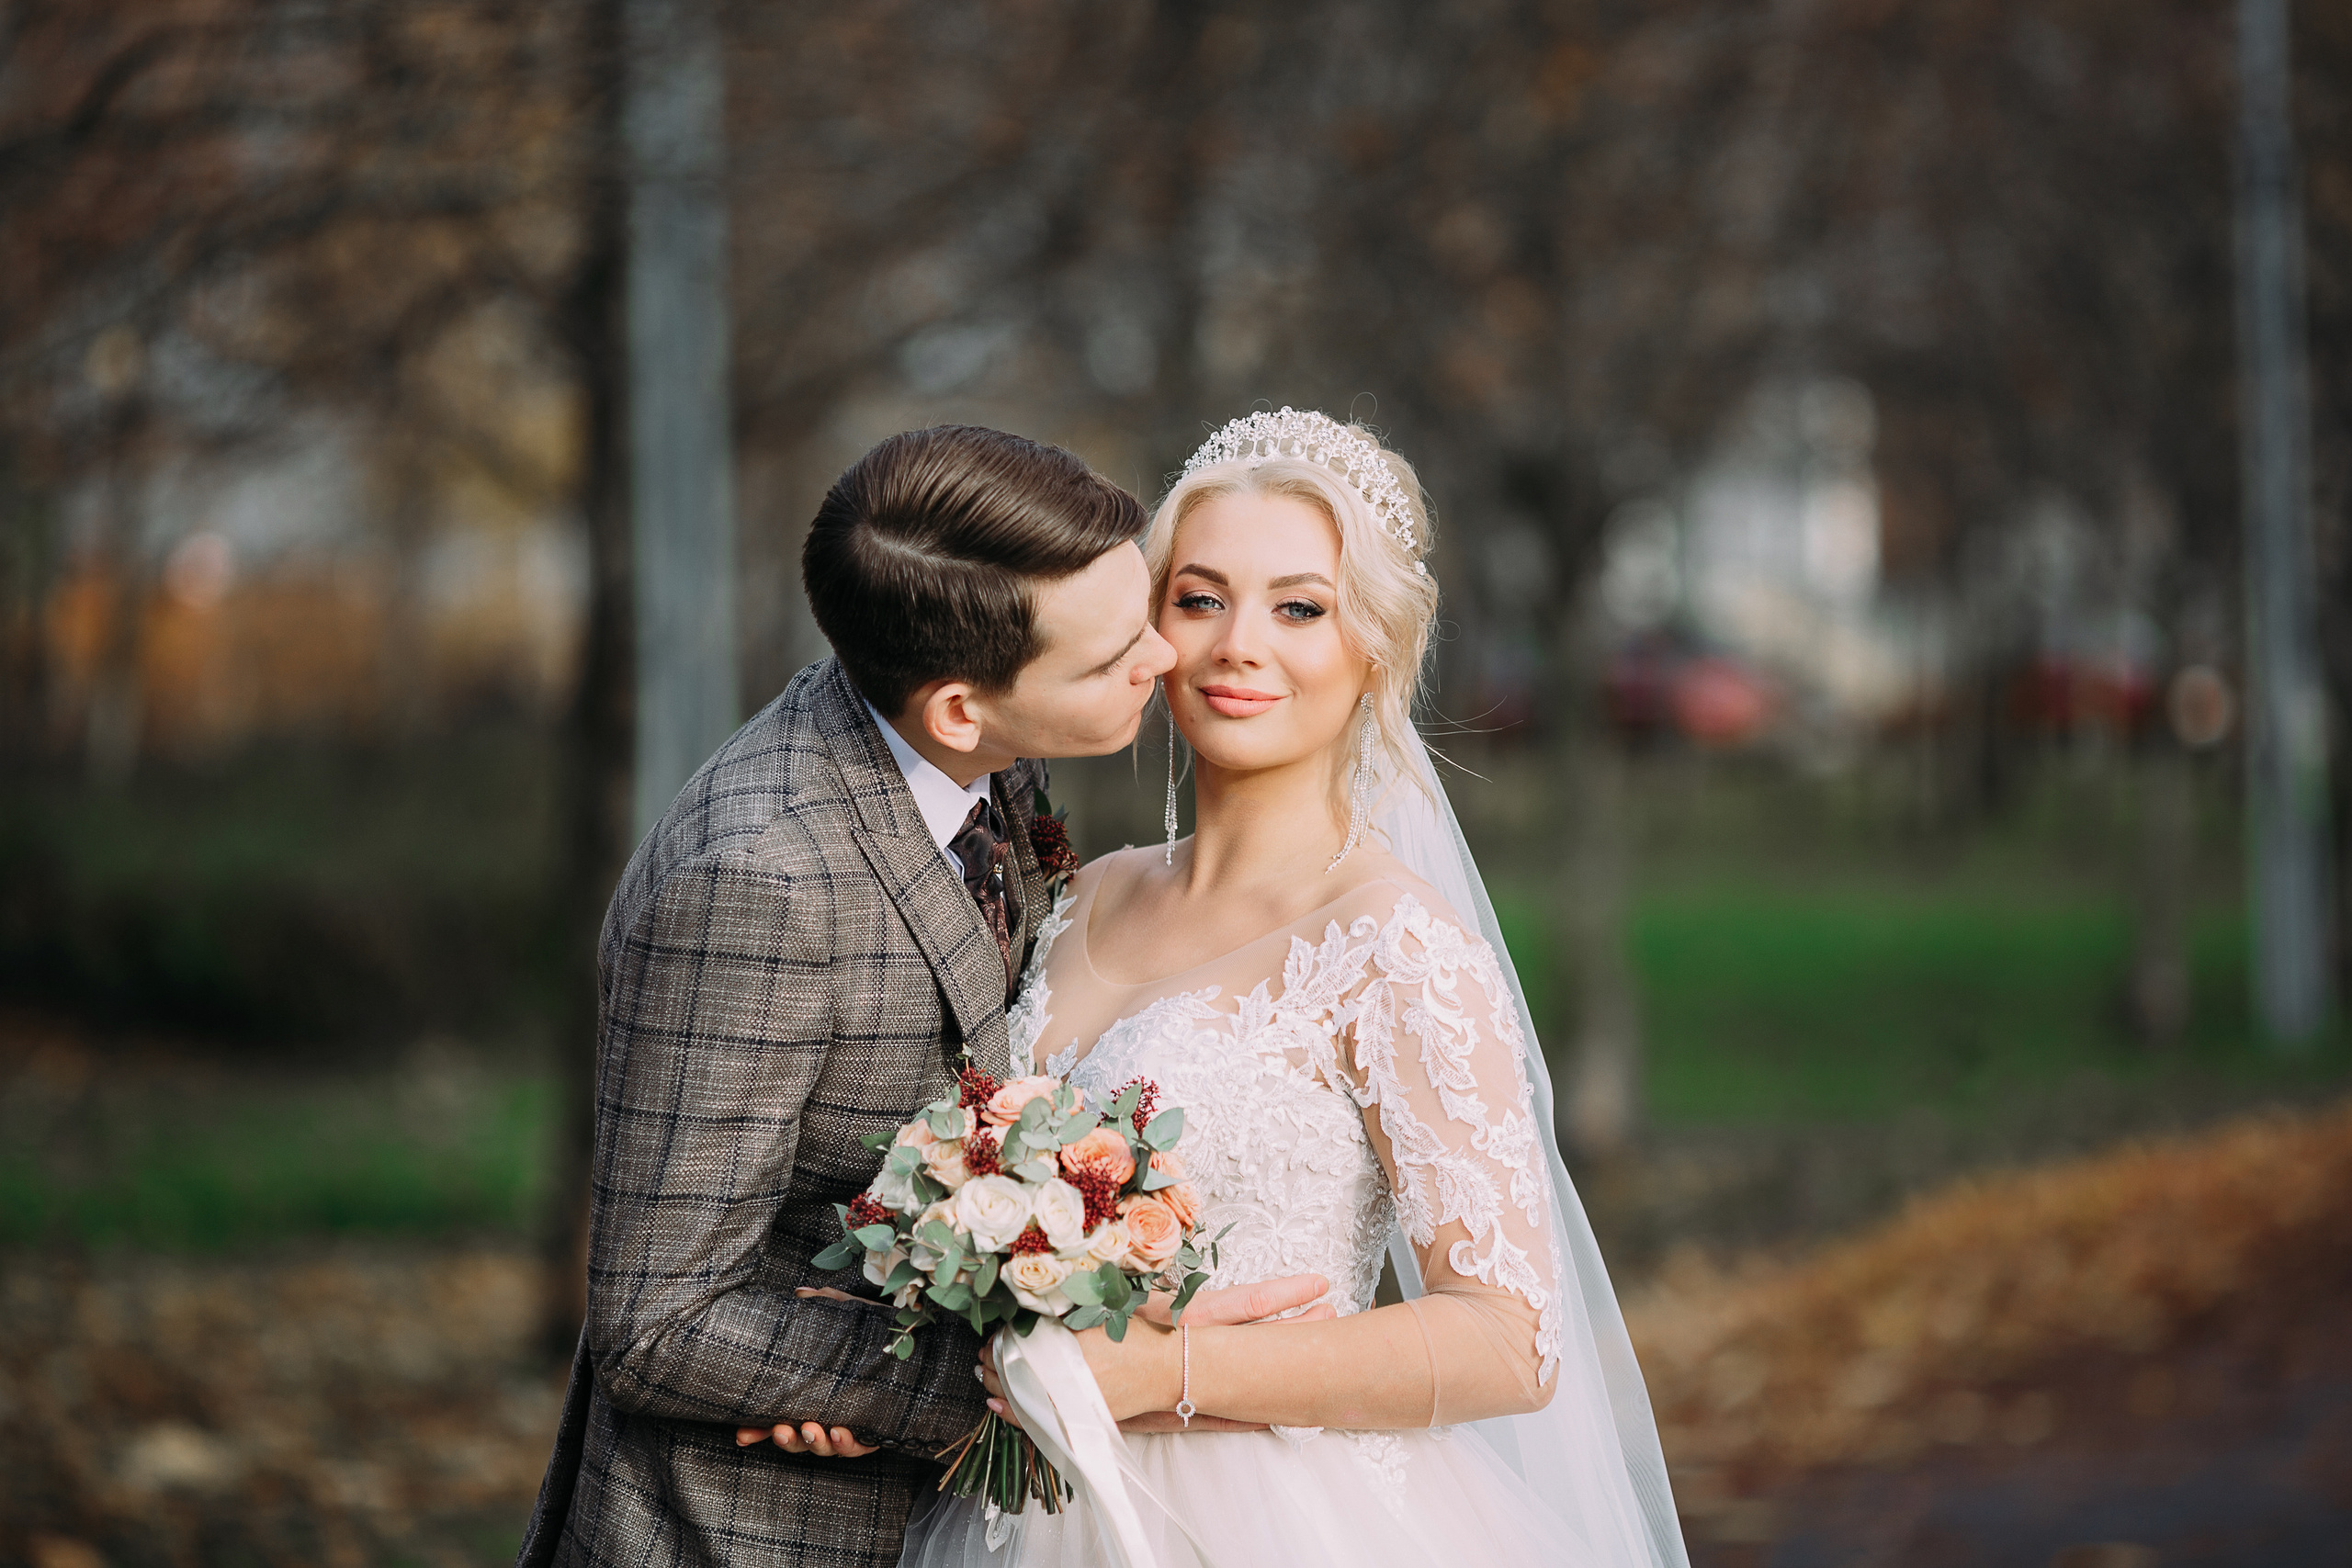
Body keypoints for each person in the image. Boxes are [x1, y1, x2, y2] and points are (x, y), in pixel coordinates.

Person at [786, 410, 1690, 1568]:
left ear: (1374, 644)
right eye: (1199, 598)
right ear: (1146, 627)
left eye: (1299, 607)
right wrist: (873, 1342)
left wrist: (1167, 1369)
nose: (1235, 645)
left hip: (1278, 1518)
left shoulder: (1393, 942)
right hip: (1016, 1508)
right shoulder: (1077, 894)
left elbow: (1509, 1341)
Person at [516, 424, 1334, 1568]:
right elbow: (659, 1323)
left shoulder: (976, 740)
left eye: (1141, 608)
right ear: (960, 709)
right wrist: (1015, 1380)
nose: (1163, 654)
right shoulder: (759, 881)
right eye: (1110, 659)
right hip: (752, 1534)